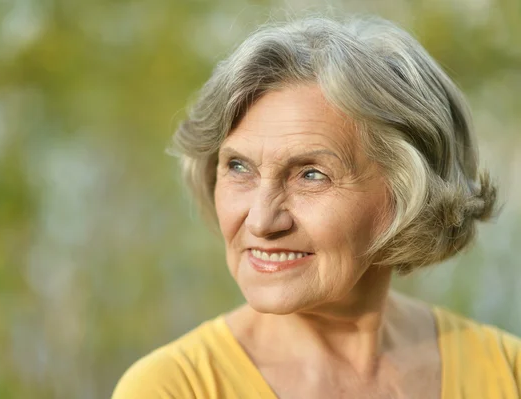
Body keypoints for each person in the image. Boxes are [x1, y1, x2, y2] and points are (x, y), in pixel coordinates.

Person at [113, 15, 521, 399]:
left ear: (412, 193)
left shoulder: (507, 371)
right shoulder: (172, 388)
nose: (261, 220)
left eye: (310, 174)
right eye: (239, 167)